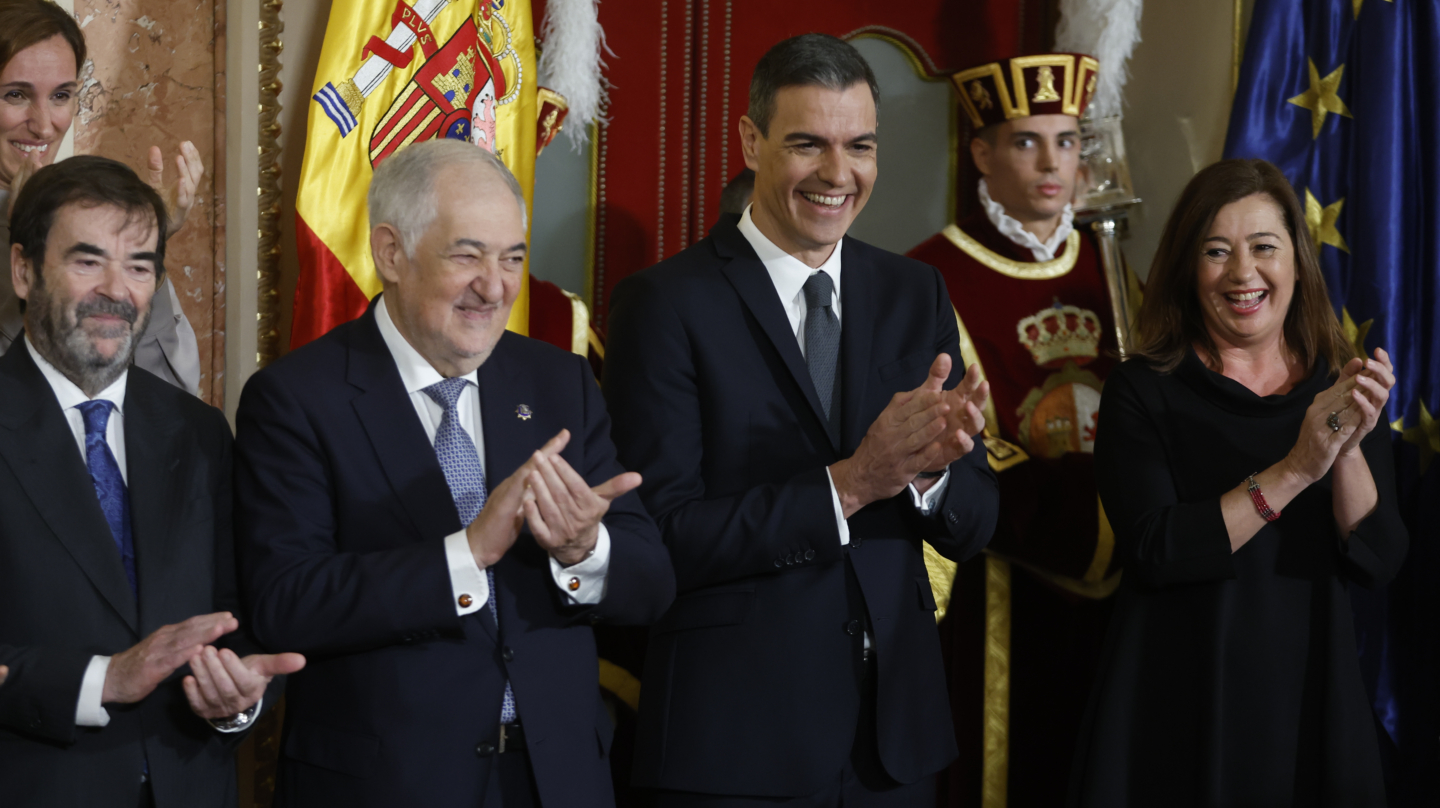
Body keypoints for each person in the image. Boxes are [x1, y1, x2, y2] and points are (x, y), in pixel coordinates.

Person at [604, 34, 999, 806]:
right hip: (738, 744)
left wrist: (932, 474)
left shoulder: (914, 291)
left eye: (860, 146)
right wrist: (849, 486)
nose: (837, 174)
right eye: (807, 144)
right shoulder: (665, 304)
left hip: (895, 748)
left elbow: (976, 520)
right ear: (752, 142)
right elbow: (660, 537)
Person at [234, 138, 675, 807]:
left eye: (512, 259)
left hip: (556, 783)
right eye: (467, 255)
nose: (495, 287)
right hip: (390, 786)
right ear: (391, 253)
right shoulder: (297, 398)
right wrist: (466, 553)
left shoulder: (558, 381)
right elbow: (285, 603)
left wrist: (585, 549)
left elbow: (650, 583)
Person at [1069, 159, 1407, 805]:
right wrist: (1296, 469)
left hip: (1313, 693)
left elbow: (1380, 557)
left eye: (1263, 248)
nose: (1242, 273)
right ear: (1187, 269)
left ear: (1298, 264)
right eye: (1216, 251)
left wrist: (1348, 450)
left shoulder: (1339, 382)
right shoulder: (1142, 390)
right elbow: (1155, 549)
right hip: (1180, 697)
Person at [0, 155, 302, 807]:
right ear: (24, 270)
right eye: (87, 262)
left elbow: (243, 616)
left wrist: (236, 698)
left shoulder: (199, 433)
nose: (117, 289)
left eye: (139, 265)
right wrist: (103, 679)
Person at [904, 53, 1126, 806]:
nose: (1051, 163)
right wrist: (1087, 514)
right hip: (995, 574)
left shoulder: (1114, 266)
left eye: (1066, 142)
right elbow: (942, 434)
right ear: (982, 153)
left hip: (1121, 573)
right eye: (1027, 141)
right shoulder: (927, 277)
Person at [0, 0, 205, 394]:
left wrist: (149, 245)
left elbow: (167, 400)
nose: (44, 126)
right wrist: (25, 235)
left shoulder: (81, 206)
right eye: (15, 95)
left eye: (61, 96)